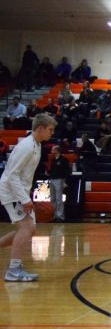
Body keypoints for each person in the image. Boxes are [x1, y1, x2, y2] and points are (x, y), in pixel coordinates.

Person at [0, 114, 56, 281]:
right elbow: (12, 175)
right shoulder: (26, 146)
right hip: (11, 192)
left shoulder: (36, 145)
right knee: (26, 228)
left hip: (19, 192)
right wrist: (24, 199)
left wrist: (26, 194)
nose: (52, 133)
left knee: (28, 229)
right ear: (40, 128)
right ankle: (13, 270)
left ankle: (14, 267)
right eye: (50, 130)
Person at [48, 145, 70, 222]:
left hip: (59, 180)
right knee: (52, 198)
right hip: (52, 179)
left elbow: (67, 171)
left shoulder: (63, 159)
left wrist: (65, 181)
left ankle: (60, 216)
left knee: (58, 199)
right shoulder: (53, 159)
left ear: (57, 151)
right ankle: (53, 215)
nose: (51, 151)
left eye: (52, 150)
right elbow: (52, 170)